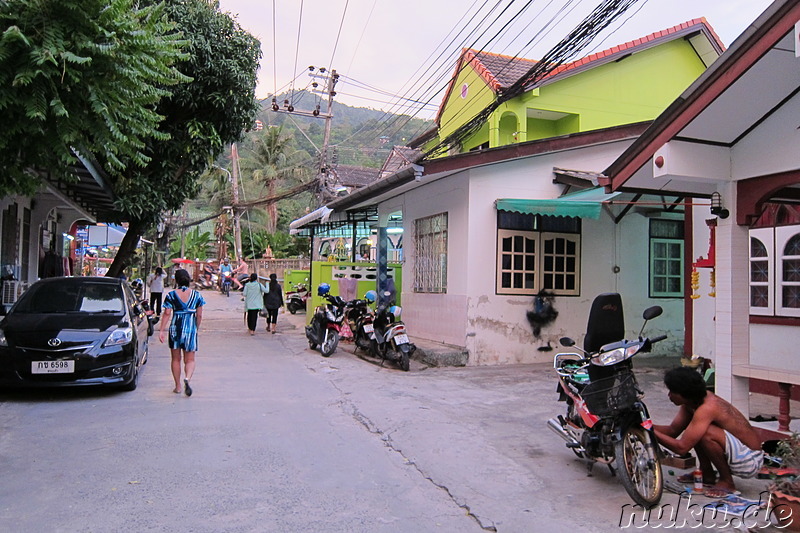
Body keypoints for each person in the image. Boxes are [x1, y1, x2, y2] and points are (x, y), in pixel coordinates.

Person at [654, 366, 764, 497]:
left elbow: (682, 448)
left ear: (685, 393)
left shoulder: (708, 407)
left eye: (672, 392)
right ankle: (707, 474)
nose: (669, 395)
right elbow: (672, 431)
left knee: (706, 432)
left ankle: (727, 482)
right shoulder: (691, 403)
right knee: (695, 430)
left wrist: (650, 430)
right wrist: (643, 424)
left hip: (749, 461)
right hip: (739, 455)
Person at [158, 269, 206, 397]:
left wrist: (161, 330)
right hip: (190, 328)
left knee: (175, 359)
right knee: (190, 360)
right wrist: (196, 327)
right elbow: (199, 315)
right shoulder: (197, 295)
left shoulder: (171, 295)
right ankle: (188, 378)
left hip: (175, 328)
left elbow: (167, 313)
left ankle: (178, 386)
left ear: (176, 280)